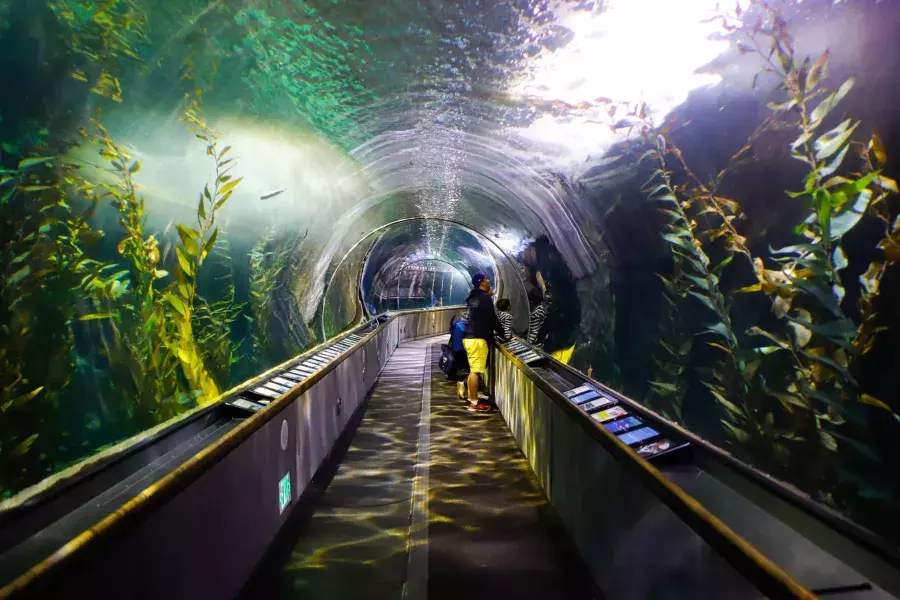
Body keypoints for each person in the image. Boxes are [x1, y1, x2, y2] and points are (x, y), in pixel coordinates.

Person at [522, 235, 581, 364]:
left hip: (562, 334)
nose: (525, 255)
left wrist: (532, 340)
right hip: (566, 329)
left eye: (526, 251)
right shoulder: (552, 259)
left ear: (533, 249)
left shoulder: (544, 266)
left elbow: (549, 302)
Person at [462, 273, 508, 412]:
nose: (489, 282)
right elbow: (492, 318)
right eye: (487, 280)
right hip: (477, 338)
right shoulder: (485, 298)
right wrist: (504, 334)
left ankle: (472, 398)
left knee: (472, 370)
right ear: (482, 282)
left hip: (468, 336)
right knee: (476, 371)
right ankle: (474, 404)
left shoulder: (472, 297)